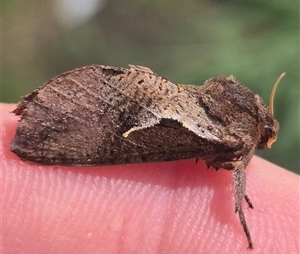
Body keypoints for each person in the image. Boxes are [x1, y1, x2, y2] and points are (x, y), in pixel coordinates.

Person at [1, 103, 299, 253]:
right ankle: (41, 132)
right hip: (153, 125)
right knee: (112, 141)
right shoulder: (237, 139)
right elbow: (237, 166)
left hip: (158, 104)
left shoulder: (238, 122)